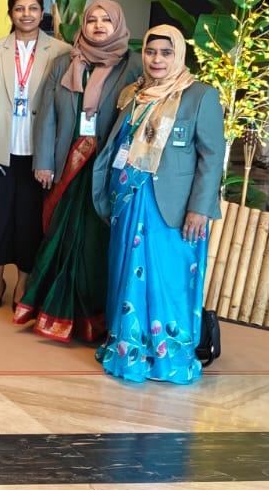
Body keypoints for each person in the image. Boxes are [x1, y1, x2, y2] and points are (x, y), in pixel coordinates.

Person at [92, 24, 224, 384]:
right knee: (126, 274)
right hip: (128, 201)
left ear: (178, 55)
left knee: (169, 279)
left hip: (173, 208)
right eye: (151, 52)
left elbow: (212, 156)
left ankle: (168, 357)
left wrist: (200, 207)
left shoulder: (200, 96)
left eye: (166, 53)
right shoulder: (134, 94)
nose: (157, 59)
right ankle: (129, 351)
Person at [15, 0, 140, 342]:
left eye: (106, 20)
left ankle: (92, 319)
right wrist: (43, 161)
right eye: (92, 19)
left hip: (105, 166)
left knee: (94, 243)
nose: (98, 25)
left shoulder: (133, 65)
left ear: (118, 25)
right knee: (60, 236)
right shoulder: (65, 63)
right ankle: (51, 310)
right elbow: (47, 115)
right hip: (66, 162)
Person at [0, 0, 68, 309]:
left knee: (29, 221)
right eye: (19, 8)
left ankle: (23, 283)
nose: (26, 14)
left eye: (33, 8)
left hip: (38, 152)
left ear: (42, 12)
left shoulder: (61, 51)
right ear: (10, 13)